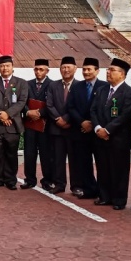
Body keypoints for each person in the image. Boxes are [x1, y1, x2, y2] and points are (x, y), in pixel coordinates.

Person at [90, 58, 131, 210]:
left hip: (118, 138)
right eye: (108, 70)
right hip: (100, 136)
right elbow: (93, 110)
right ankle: (104, 196)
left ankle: (119, 199)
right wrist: (98, 128)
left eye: (112, 70)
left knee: (119, 169)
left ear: (122, 74)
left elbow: (125, 116)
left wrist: (108, 130)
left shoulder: (129, 92)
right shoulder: (102, 90)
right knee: (103, 168)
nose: (108, 72)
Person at [0, 55, 28, 190]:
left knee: (11, 154)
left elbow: (22, 101)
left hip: (13, 125)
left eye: (7, 65)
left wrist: (8, 114)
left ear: (12, 67)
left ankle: (10, 180)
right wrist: (1, 115)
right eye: (2, 66)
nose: (5, 68)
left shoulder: (21, 83)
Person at [66, 58, 107, 199]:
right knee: (84, 162)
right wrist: (82, 122)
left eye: (89, 69)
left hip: (97, 131)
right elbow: (70, 107)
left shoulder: (104, 86)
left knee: (101, 163)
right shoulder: (77, 86)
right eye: (84, 69)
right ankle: (89, 189)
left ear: (97, 71)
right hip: (80, 131)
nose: (86, 72)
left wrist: (93, 124)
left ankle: (103, 191)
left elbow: (104, 109)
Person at [45, 56, 80, 195]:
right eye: (63, 67)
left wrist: (66, 119)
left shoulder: (79, 86)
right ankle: (59, 184)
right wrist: (58, 119)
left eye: (68, 67)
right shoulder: (53, 85)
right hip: (56, 128)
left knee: (74, 159)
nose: (66, 70)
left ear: (75, 69)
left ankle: (76, 186)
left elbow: (79, 106)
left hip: (72, 128)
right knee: (57, 159)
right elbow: (49, 105)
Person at [22, 59, 53, 190]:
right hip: (30, 124)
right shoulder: (27, 84)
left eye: (41, 69)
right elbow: (22, 101)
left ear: (47, 71)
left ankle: (47, 181)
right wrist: (28, 112)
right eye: (36, 69)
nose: (38, 72)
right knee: (29, 153)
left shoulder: (52, 85)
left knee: (46, 154)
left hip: (45, 125)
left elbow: (52, 103)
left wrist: (40, 113)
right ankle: (29, 180)